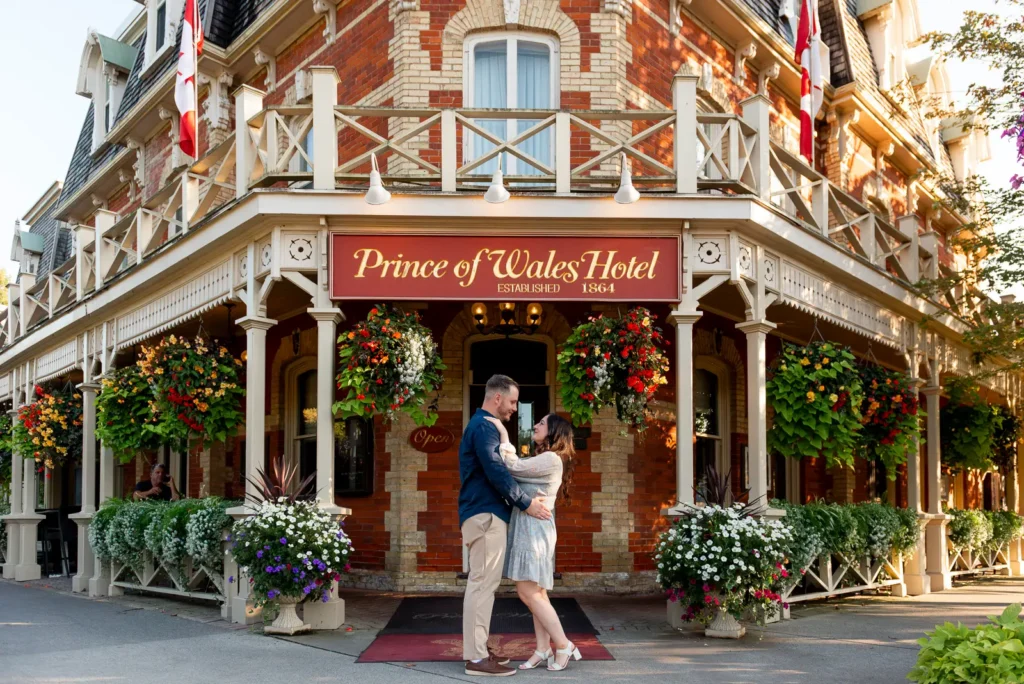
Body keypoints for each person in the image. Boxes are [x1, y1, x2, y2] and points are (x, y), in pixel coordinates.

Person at [459, 374, 551, 677]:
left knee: (485, 584)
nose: (514, 408)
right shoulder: (484, 426)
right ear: (497, 397)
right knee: (482, 585)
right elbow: (496, 470)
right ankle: (475, 658)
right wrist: (527, 503)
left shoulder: (484, 426)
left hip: (484, 513)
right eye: (512, 401)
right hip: (485, 514)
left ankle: (479, 650)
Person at [485, 413, 581, 672]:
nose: (535, 426)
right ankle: (542, 648)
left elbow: (513, 467)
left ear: (553, 432)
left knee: (527, 592)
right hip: (529, 526)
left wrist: (504, 438)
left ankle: (563, 645)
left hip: (535, 531)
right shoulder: (543, 458)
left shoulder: (550, 458)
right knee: (537, 594)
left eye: (541, 423)